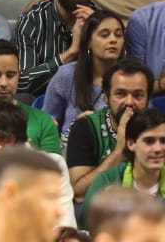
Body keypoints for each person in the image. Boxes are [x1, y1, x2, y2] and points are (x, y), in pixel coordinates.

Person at [14, 0, 96, 97]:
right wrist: (72, 52)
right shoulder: (33, 20)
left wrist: (98, 33)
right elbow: (22, 82)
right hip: (43, 108)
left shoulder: (102, 21)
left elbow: (121, 78)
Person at [65, 59, 154, 201]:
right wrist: (119, 151)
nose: (129, 102)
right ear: (106, 97)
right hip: (102, 212)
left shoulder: (159, 130)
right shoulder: (85, 127)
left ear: (148, 98)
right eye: (120, 94)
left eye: (138, 95)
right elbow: (79, 192)